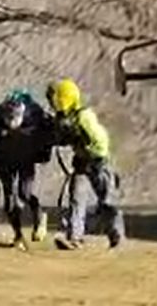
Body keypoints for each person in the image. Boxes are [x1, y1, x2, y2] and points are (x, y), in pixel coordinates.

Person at [46, 78, 124, 250]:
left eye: (57, 99)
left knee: (107, 202)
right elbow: (62, 139)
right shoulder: (68, 119)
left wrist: (87, 152)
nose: (54, 103)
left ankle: (116, 234)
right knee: (76, 198)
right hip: (83, 164)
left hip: (98, 164)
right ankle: (75, 237)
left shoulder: (84, 117)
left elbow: (101, 143)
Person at [0, 88, 55, 248]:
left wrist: (43, 154)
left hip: (26, 158)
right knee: (9, 199)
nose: (11, 122)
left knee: (25, 193)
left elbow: (49, 135)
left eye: (15, 118)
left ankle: (39, 216)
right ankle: (18, 235)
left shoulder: (35, 114)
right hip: (4, 159)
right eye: (8, 119)